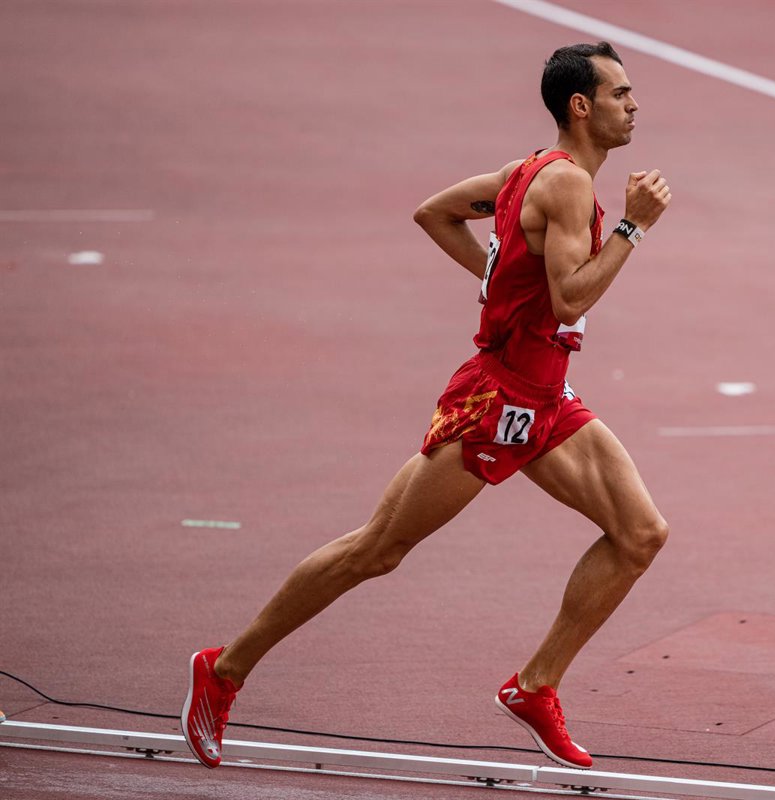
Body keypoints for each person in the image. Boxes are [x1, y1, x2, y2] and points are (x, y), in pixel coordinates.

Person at [182, 41, 671, 772]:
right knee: (376, 550)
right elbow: (571, 297)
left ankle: (535, 685)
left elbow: (434, 213)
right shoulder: (567, 185)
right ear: (581, 106)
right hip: (497, 399)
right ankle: (223, 670)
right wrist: (633, 227)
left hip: (546, 396)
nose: (633, 105)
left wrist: (501, 283)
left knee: (639, 534)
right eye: (620, 94)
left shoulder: (522, 172)